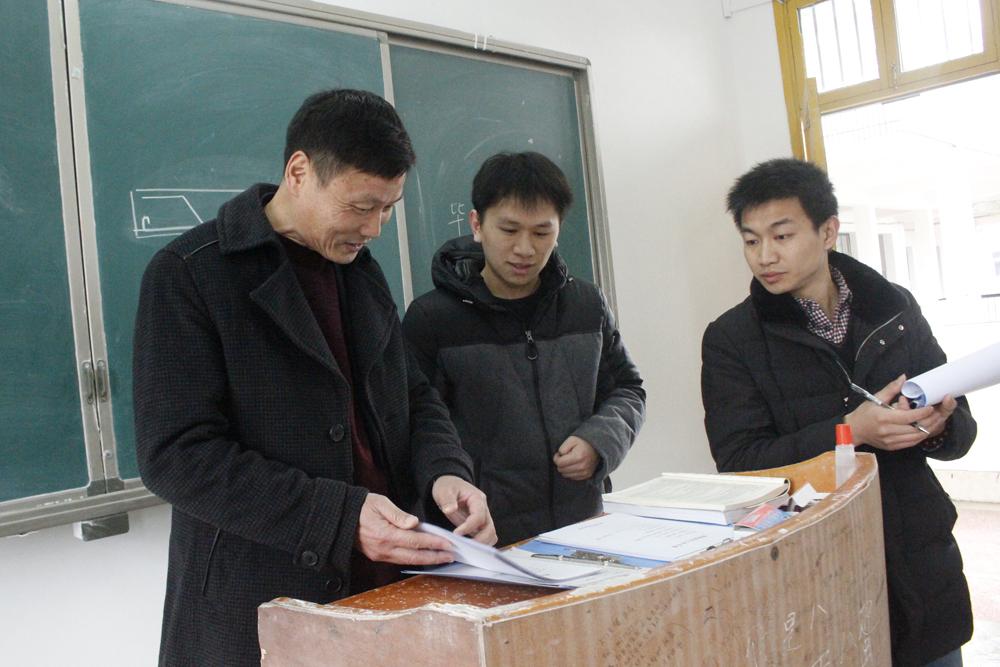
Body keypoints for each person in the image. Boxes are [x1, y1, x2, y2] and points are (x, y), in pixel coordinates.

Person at [133, 89, 496, 666]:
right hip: (258, 601)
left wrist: (445, 471)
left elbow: (411, 393)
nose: (374, 228)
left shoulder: (360, 272)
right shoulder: (191, 275)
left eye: (388, 208)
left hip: (383, 593)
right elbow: (176, 455)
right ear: (299, 172)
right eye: (360, 206)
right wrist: (339, 518)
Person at [701, 158, 977, 667]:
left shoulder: (894, 307)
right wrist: (853, 431)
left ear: (827, 231)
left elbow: (962, 430)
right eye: (751, 240)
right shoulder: (732, 339)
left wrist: (936, 426)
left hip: (918, 553)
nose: (765, 256)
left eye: (782, 236)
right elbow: (740, 464)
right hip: (814, 568)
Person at [401, 151, 645, 546]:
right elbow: (416, 424)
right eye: (509, 230)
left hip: (583, 529)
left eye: (541, 232)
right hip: (484, 539)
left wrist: (602, 440)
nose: (525, 249)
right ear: (477, 225)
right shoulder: (433, 319)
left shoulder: (586, 305)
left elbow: (628, 389)